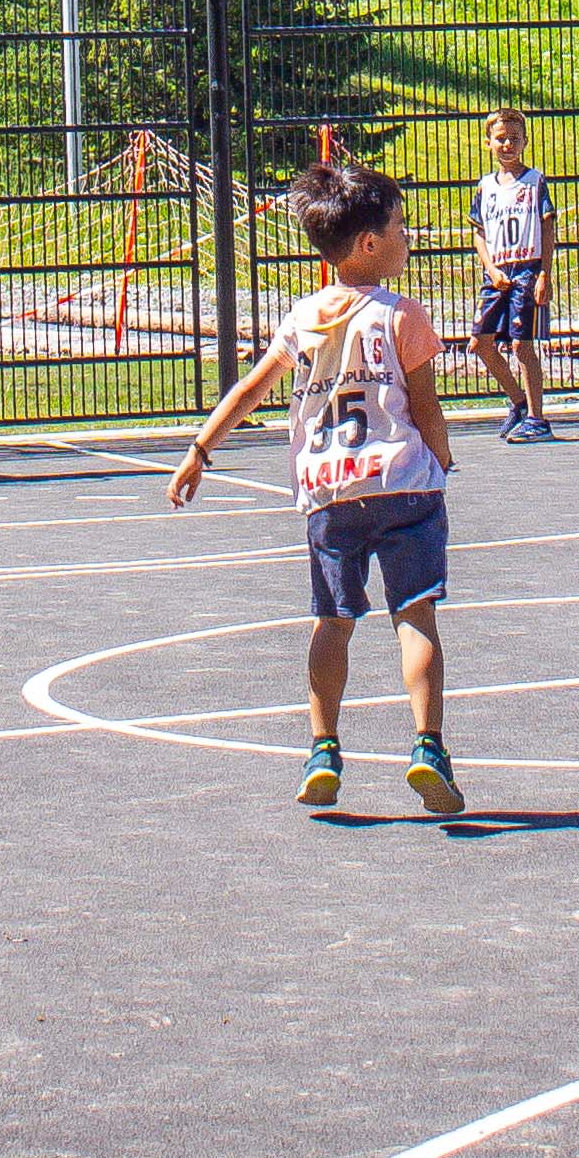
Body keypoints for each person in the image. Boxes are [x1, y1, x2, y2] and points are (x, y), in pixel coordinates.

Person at [162, 156, 464, 820]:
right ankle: (428, 746)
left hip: (330, 492)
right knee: (414, 615)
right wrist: (440, 457)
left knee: (333, 622)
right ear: (367, 244)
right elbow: (426, 405)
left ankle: (323, 748)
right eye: (400, 227)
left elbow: (249, 390)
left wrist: (199, 450)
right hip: (403, 484)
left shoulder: (303, 318)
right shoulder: (400, 314)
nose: (408, 238)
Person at [465, 107, 558, 446]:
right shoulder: (485, 187)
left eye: (514, 139)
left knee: (521, 343)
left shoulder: (535, 182)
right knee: (481, 343)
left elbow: (548, 227)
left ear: (525, 142)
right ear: (488, 143)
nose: (507, 145)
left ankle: (537, 418)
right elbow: (479, 233)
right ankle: (519, 402)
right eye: (501, 139)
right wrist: (490, 268)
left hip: (526, 269)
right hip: (497, 272)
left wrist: (544, 272)